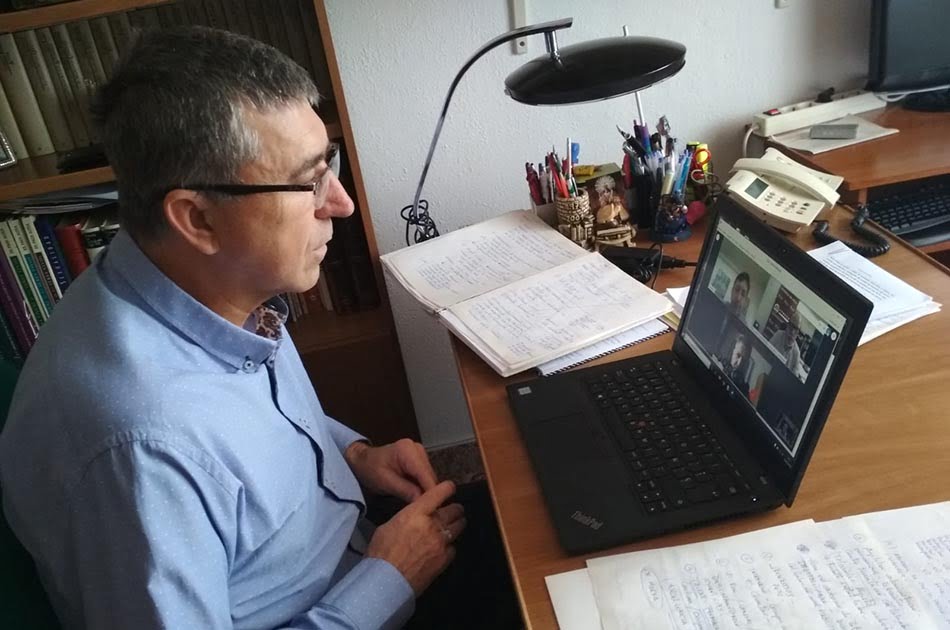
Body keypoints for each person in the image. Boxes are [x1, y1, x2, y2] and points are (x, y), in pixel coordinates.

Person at [0, 27, 516, 630]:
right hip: (349, 603)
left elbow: (248, 423)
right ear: (197, 219)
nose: (341, 203)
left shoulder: (192, 279)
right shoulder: (141, 454)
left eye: (329, 164)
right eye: (308, 181)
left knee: (558, 506)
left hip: (354, 543)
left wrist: (353, 454)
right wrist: (388, 579)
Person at [721, 333, 752, 397]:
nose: (739, 363)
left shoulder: (743, 390)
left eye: (744, 360)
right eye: (738, 355)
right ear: (732, 352)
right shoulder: (718, 366)